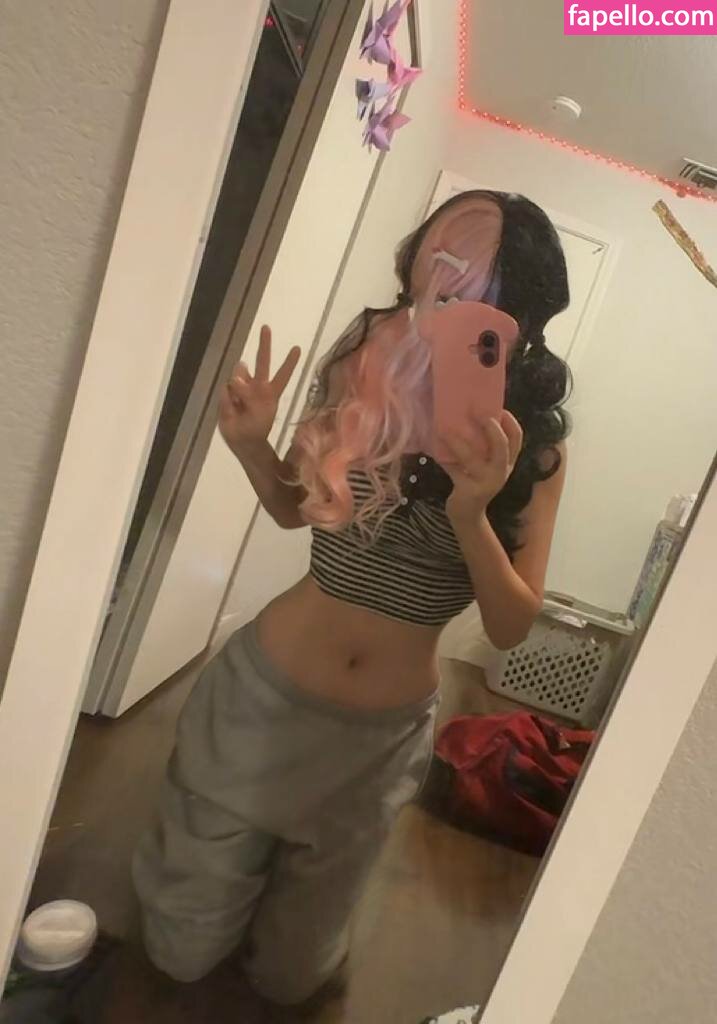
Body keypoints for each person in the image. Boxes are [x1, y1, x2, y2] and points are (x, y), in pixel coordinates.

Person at [133, 190, 571, 1008]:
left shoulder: (532, 449)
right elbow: (292, 510)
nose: (446, 278)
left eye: (476, 271)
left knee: (292, 978)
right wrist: (251, 445)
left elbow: (511, 626)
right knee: (179, 955)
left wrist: (471, 511)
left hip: (376, 742)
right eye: (438, 254)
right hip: (261, 699)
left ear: (520, 303)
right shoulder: (361, 368)